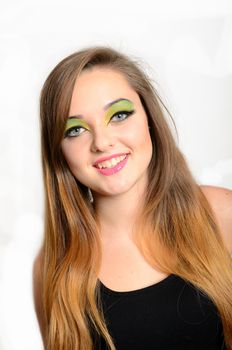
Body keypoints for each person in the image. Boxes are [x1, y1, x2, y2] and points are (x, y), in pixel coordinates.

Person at [33, 46, 232, 350]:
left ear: (149, 117)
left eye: (120, 115)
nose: (102, 142)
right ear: (58, 150)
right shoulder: (53, 264)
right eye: (75, 130)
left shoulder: (221, 213)